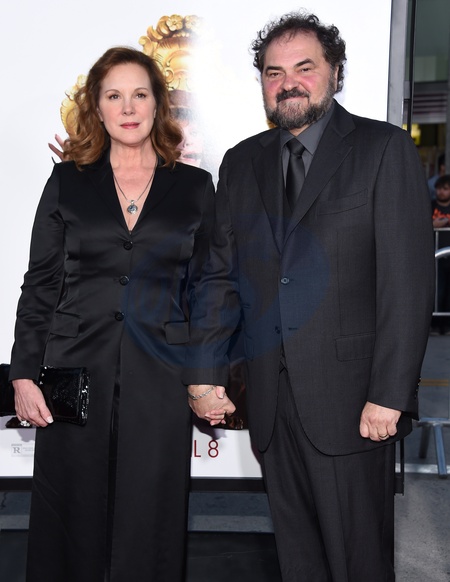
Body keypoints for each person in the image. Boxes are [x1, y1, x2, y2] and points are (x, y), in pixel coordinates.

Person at [183, 11, 435, 582]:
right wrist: (203, 375)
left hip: (356, 404)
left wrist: (389, 394)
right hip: (272, 404)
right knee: (298, 562)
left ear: (335, 73)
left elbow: (407, 284)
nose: (288, 83)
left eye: (304, 68)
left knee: (357, 562)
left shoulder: (383, 148)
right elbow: (219, 277)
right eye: (273, 73)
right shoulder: (241, 161)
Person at [9, 46, 233, 582]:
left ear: (158, 105)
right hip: (72, 367)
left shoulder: (194, 187)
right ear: (98, 107)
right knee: (69, 512)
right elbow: (41, 283)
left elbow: (209, 286)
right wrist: (23, 373)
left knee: (150, 514)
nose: (128, 107)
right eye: (114, 96)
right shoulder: (67, 182)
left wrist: (205, 375)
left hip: (161, 372)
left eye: (139, 94)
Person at [431, 174, 450, 333]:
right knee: (438, 290)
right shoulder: (430, 206)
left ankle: (447, 325)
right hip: (435, 254)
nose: (441, 192)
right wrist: (433, 224)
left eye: (445, 189)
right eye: (439, 188)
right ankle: (435, 324)